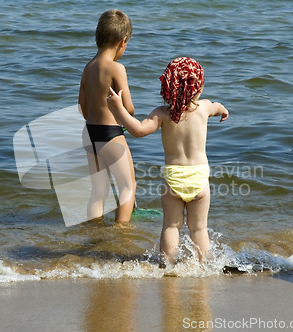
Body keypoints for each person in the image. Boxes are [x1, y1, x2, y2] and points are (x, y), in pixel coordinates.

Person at [107, 57, 229, 262]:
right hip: (199, 178)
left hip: (173, 179)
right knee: (199, 228)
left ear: (167, 86)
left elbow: (137, 130)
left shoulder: (162, 114)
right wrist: (223, 110)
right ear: (199, 86)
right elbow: (218, 106)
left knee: (171, 226)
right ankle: (205, 268)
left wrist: (118, 108)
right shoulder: (205, 108)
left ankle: (169, 266)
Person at [78, 9, 136, 228]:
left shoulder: (88, 67)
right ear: (123, 41)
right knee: (127, 187)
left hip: (89, 133)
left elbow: (82, 108)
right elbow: (128, 109)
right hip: (110, 135)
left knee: (98, 191)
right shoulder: (116, 68)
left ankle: (94, 232)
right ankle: (121, 235)